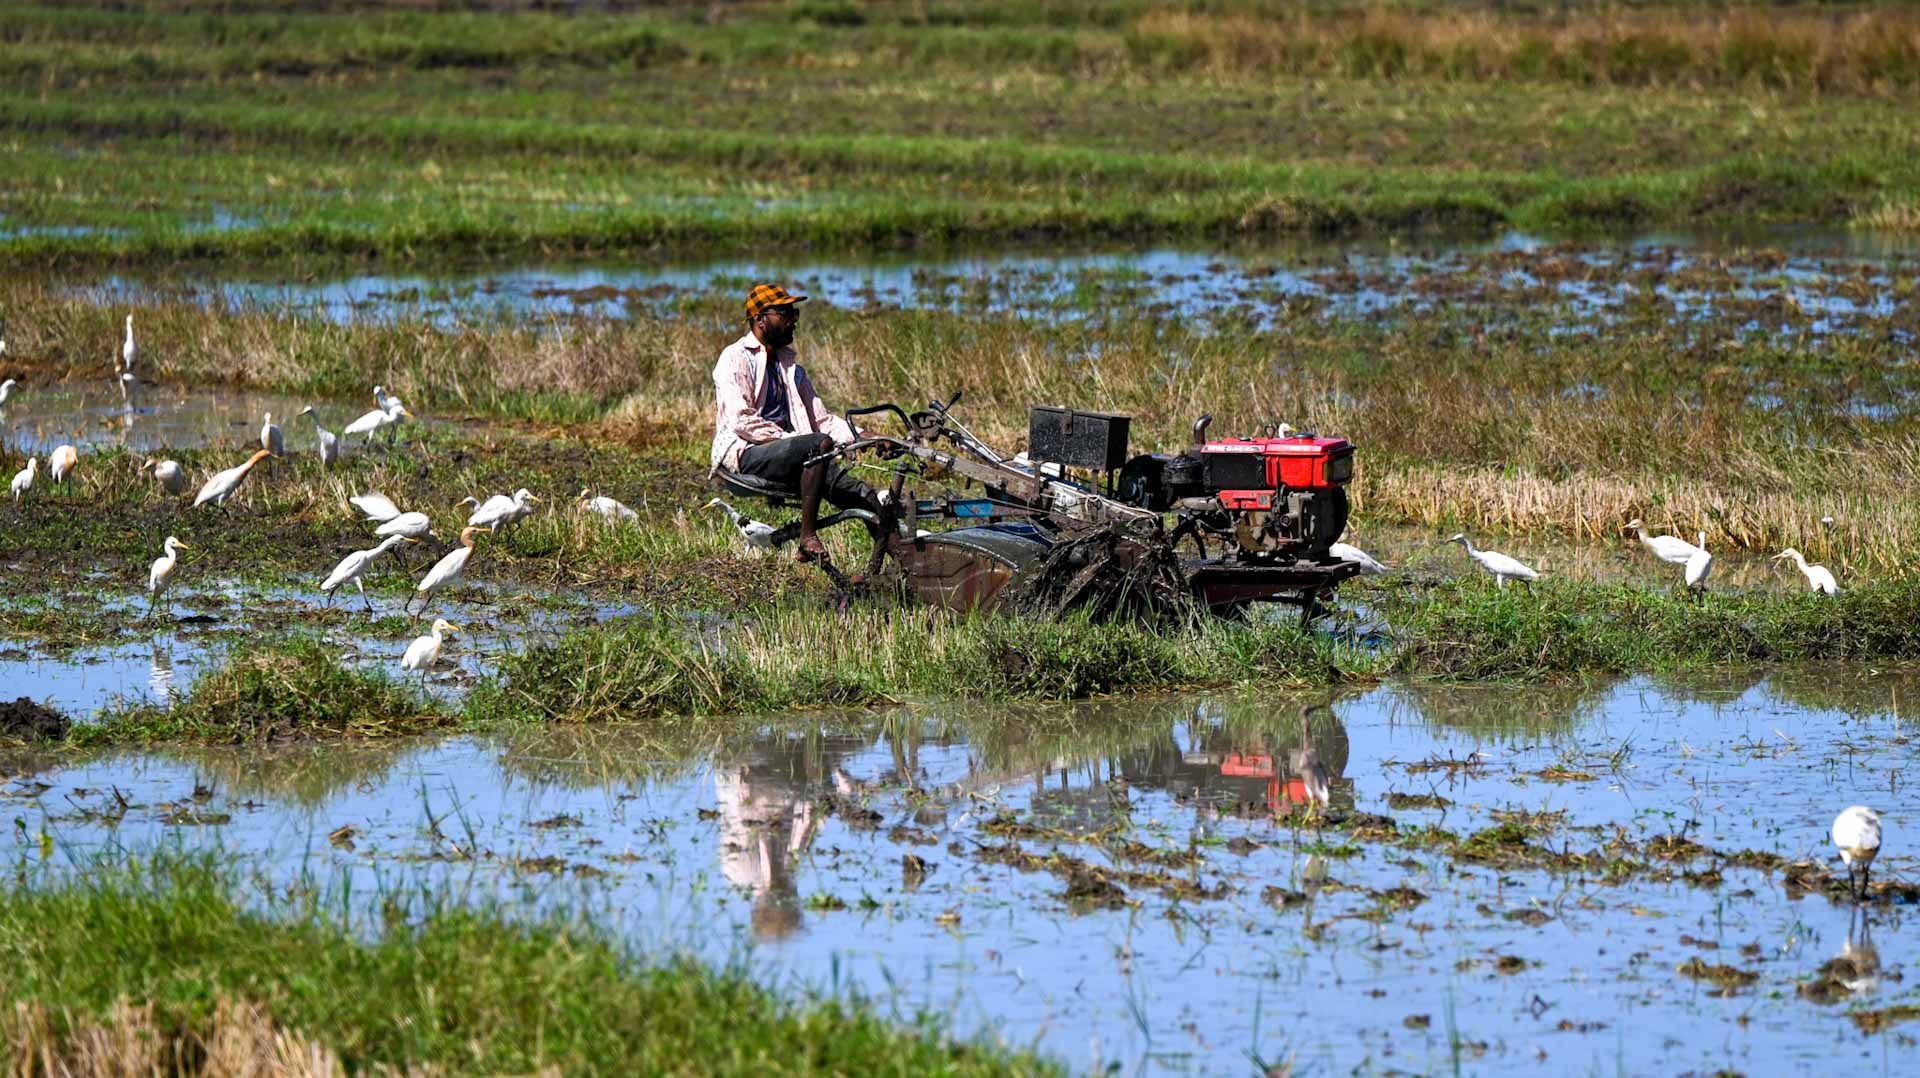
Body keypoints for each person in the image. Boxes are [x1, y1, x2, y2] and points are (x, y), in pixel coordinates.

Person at [710, 283, 876, 561]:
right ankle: (807, 538)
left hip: (802, 454)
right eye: (785, 313)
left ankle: (907, 569)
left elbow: (821, 420)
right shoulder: (735, 358)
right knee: (816, 445)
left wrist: (862, 435)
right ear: (761, 319)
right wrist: (796, 442)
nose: (793, 319)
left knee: (867, 498)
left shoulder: (792, 369)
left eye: (794, 312)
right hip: (747, 452)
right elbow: (742, 421)